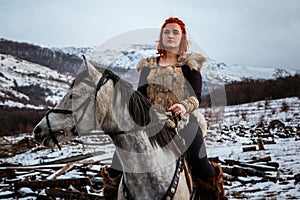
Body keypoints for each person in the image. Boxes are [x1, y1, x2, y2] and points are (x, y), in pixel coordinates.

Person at [102, 17, 225, 199]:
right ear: (161, 37)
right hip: (151, 123)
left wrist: (183, 106)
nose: (170, 35)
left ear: (182, 38)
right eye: (166, 31)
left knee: (202, 164)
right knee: (117, 163)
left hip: (183, 122)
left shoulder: (190, 66)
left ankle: (215, 195)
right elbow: (140, 98)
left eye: (176, 32)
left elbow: (195, 97)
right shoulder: (149, 66)